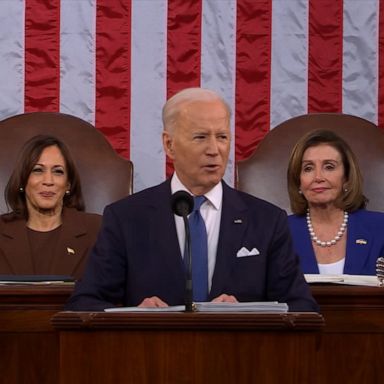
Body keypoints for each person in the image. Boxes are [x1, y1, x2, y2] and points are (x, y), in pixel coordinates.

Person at [66, 87, 318, 312]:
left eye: (222, 137)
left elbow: (301, 307)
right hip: (155, 356)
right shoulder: (127, 218)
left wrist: (249, 313)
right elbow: (85, 303)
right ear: (169, 144)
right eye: (200, 137)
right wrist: (136, 315)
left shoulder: (266, 220)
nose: (214, 149)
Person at [0, 134, 102, 279]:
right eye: (38, 170)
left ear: (68, 184)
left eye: (58, 171)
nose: (48, 181)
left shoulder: (98, 229)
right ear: (22, 180)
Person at [287, 129, 384, 275]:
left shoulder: (380, 228)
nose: (318, 177)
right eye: (308, 168)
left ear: (346, 178)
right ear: (298, 181)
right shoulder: (279, 231)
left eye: (329, 167)